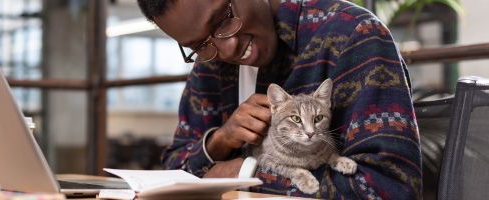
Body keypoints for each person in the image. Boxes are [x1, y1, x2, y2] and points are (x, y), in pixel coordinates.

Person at [136, 0, 422, 199]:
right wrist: (220, 141)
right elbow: (174, 171)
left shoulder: (353, 35)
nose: (227, 47)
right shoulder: (210, 61)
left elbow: (391, 189)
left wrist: (247, 173)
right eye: (199, 44)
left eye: (223, 19)